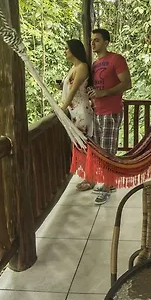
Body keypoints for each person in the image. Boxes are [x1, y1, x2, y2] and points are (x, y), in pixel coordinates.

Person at [76, 29, 132, 205]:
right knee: (101, 150)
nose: (93, 43)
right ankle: (109, 183)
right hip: (97, 111)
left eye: (97, 40)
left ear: (106, 42)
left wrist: (104, 92)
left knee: (108, 151)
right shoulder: (95, 64)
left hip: (111, 111)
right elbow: (95, 86)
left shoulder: (116, 59)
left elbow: (127, 83)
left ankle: (107, 188)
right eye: (92, 40)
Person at [61, 39, 94, 137]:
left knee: (82, 142)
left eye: (67, 48)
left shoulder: (82, 67)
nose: (65, 51)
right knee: (76, 142)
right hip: (73, 111)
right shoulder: (74, 67)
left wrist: (62, 108)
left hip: (81, 112)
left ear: (74, 50)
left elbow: (73, 90)